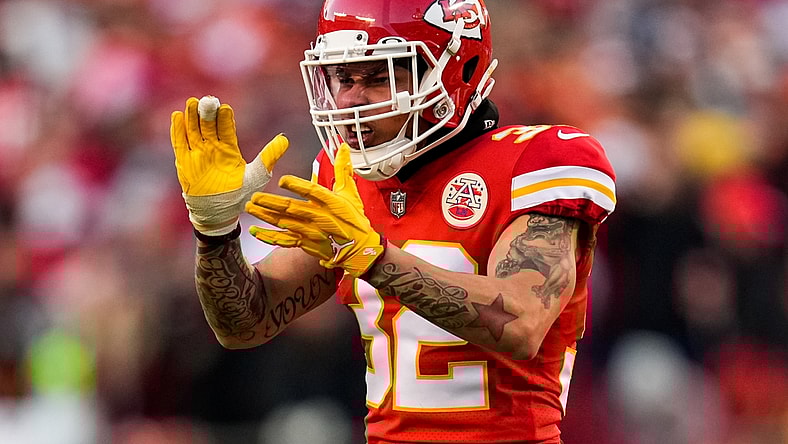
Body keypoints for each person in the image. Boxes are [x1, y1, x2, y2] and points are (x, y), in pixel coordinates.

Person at [170, 0, 616, 442]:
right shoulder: (344, 175)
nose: (351, 99)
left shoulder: (540, 159)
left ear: (455, 71)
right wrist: (215, 232)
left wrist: (374, 258)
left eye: (380, 77)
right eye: (343, 77)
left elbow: (519, 323)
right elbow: (245, 323)